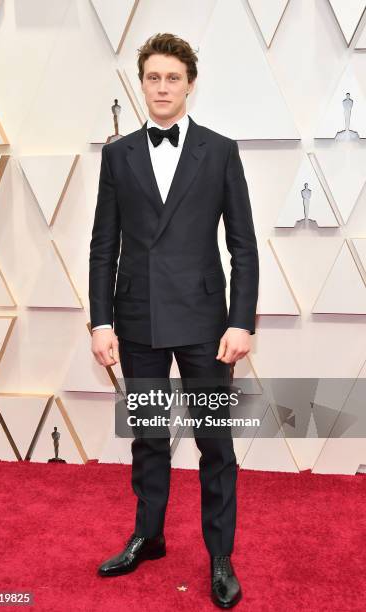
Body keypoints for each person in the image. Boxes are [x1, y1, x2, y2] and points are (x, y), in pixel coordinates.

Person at [89, 32, 259, 609]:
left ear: (189, 84)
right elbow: (101, 247)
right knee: (149, 438)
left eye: (172, 78)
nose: (162, 87)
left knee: (215, 443)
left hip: (207, 324)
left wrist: (240, 321)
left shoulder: (220, 150)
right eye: (152, 78)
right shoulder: (118, 155)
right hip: (135, 319)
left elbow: (244, 246)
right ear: (141, 84)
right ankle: (149, 535)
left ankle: (220, 555)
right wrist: (99, 322)